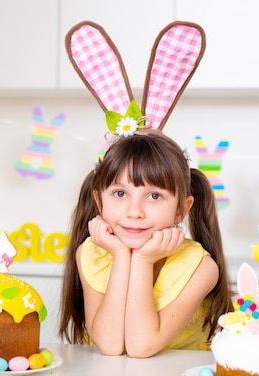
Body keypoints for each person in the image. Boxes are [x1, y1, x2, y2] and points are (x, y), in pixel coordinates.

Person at [58, 129, 233, 358]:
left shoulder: (201, 268)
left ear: (181, 209)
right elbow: (110, 345)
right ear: (99, 201)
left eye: (154, 196)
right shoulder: (92, 253)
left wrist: (142, 259)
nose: (135, 212)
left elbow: (141, 346)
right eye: (120, 193)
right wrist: (121, 256)